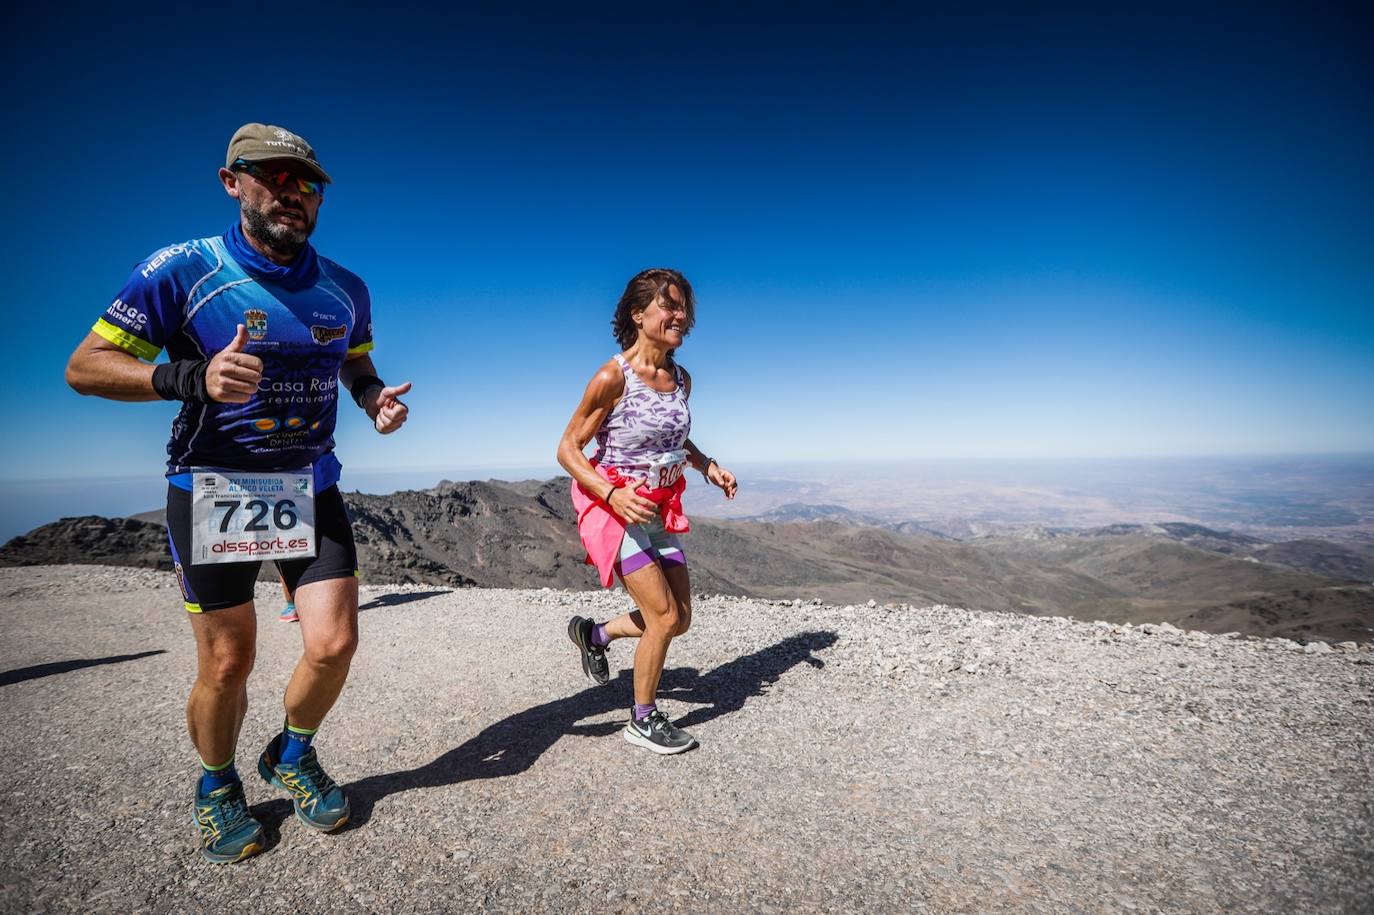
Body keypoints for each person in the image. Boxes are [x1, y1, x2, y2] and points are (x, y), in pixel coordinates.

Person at [65, 123, 412, 863]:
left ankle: (291, 752)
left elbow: (352, 359)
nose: (293, 191)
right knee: (228, 663)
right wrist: (188, 377)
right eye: (273, 176)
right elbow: (86, 366)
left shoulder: (346, 286)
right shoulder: (182, 270)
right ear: (232, 181)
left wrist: (374, 396)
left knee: (335, 641)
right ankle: (217, 782)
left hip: (309, 483)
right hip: (213, 487)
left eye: (308, 182)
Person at [556, 269, 737, 754]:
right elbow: (568, 450)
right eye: (669, 306)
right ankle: (642, 718)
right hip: (614, 510)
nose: (681, 316)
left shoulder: (681, 378)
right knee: (661, 616)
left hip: (657, 508)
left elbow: (674, 437)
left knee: (679, 619)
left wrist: (707, 465)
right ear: (639, 315)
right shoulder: (612, 376)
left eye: (685, 309)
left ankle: (594, 634)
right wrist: (612, 495)